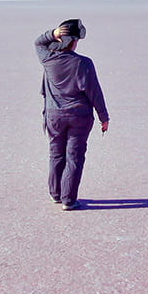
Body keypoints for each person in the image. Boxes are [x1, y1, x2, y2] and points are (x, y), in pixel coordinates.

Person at [35, 19, 110, 210]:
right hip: (79, 116)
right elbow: (94, 92)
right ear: (74, 41)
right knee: (74, 157)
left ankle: (56, 194)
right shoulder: (83, 63)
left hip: (54, 116)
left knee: (56, 154)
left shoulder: (48, 58)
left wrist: (52, 33)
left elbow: (38, 42)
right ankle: (68, 200)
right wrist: (104, 117)